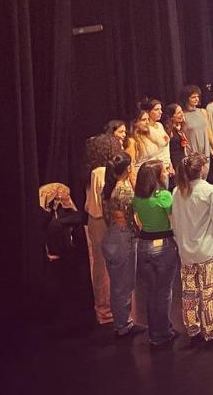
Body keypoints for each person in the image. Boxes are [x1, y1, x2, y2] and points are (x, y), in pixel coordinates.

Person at [171, 152, 213, 343]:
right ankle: (209, 330)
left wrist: (180, 243)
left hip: (186, 251)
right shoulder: (210, 191)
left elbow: (175, 221)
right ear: (202, 168)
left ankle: (192, 327)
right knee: (208, 292)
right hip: (207, 250)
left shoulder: (177, 191)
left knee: (188, 292)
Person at [132, 159, 178, 346]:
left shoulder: (137, 198)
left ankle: (154, 332)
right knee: (164, 291)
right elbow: (174, 220)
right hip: (163, 244)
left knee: (151, 292)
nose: (167, 173)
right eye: (164, 171)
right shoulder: (165, 196)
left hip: (143, 245)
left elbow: (138, 221)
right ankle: (163, 332)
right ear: (157, 177)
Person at [101, 152, 143, 337]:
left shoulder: (107, 188)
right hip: (123, 238)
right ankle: (123, 325)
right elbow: (130, 217)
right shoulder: (124, 190)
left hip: (111, 235)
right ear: (128, 168)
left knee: (117, 284)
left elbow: (106, 215)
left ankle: (121, 322)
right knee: (124, 284)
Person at [84, 134, 120, 325]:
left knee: (101, 265)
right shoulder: (100, 172)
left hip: (95, 219)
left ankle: (105, 308)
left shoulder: (93, 170)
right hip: (101, 221)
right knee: (103, 266)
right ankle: (105, 310)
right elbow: (103, 202)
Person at [180, 84, 213, 162]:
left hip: (205, 151)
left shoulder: (203, 112)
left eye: (197, 96)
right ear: (186, 99)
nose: (196, 99)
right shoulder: (182, 115)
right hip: (192, 153)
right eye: (193, 97)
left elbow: (208, 130)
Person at [138, 99, 172, 172]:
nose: (160, 112)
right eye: (156, 109)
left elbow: (165, 148)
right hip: (157, 168)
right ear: (148, 112)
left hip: (167, 165)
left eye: (160, 109)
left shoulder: (160, 125)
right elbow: (160, 145)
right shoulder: (147, 129)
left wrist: (170, 164)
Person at [162, 102, 188, 172]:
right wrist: (170, 165)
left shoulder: (180, 127)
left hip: (182, 160)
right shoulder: (167, 130)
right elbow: (165, 150)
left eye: (182, 111)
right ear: (171, 116)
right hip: (174, 163)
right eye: (179, 113)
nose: (182, 114)